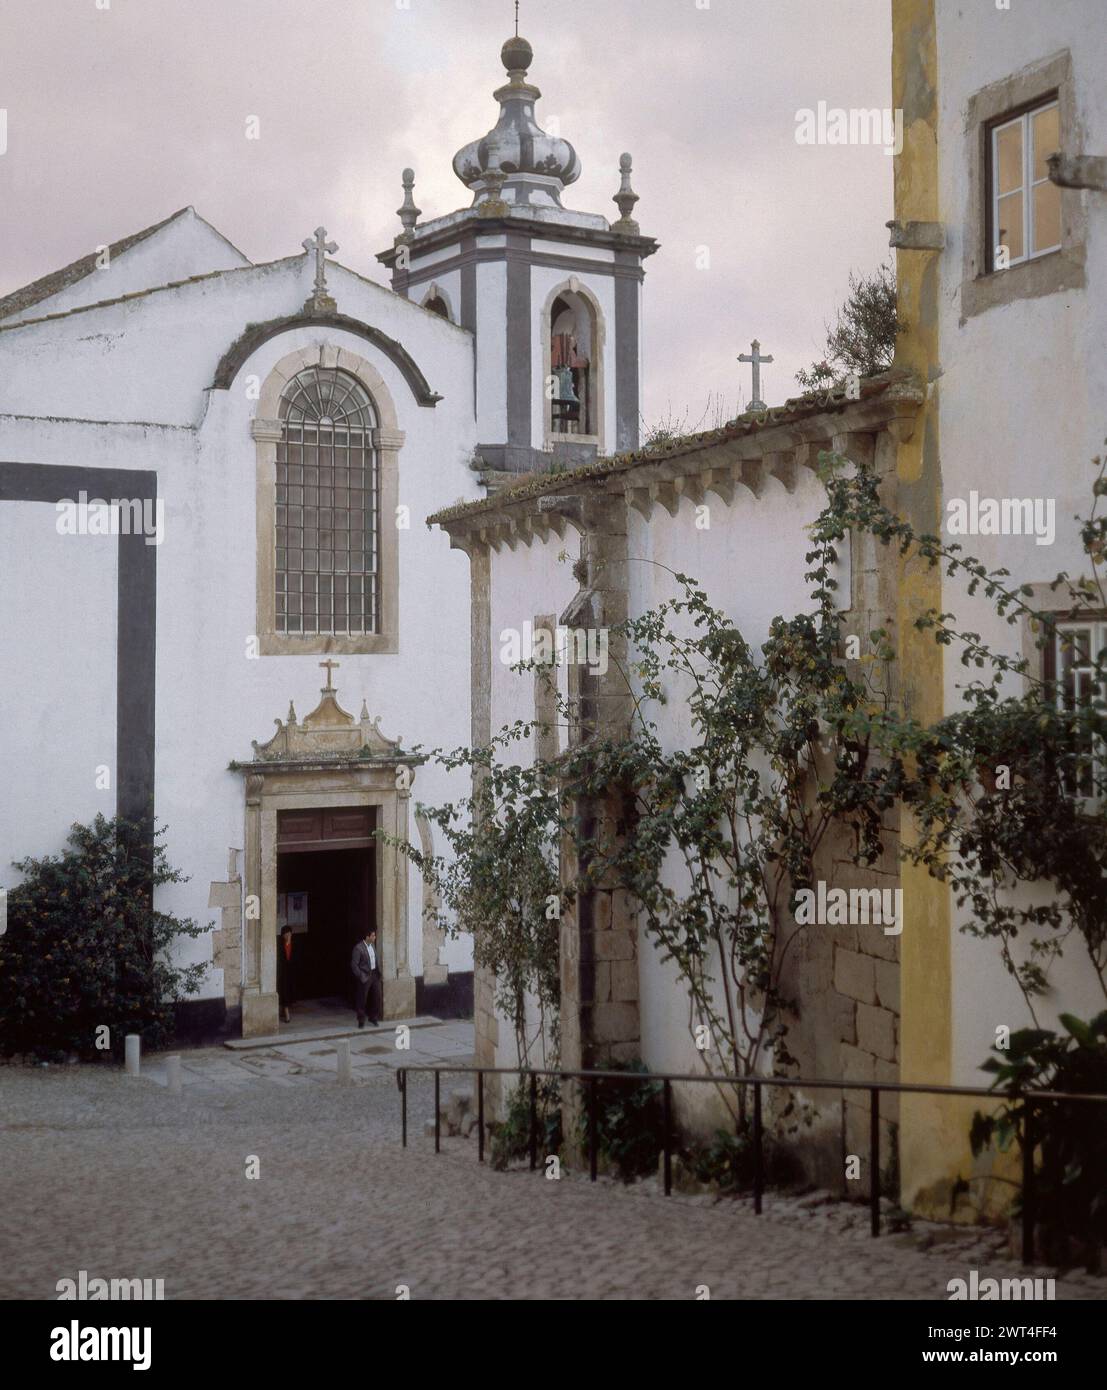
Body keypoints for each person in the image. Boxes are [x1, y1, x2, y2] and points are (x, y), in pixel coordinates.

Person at [350, 928, 381, 1029]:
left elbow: (375, 960)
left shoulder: (372, 945)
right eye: (373, 936)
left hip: (374, 975)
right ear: (367, 937)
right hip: (365, 976)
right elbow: (354, 965)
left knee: (377, 997)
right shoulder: (358, 948)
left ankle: (373, 1017)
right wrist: (361, 975)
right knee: (362, 999)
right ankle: (361, 1020)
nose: (375, 937)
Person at [276, 924, 296, 1024]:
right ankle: (287, 1014)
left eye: (289, 933)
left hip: (291, 973)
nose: (287, 935)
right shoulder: (280, 946)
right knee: (284, 992)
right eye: (285, 934)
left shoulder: (294, 944)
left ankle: (283, 1010)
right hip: (283, 973)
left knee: (288, 992)